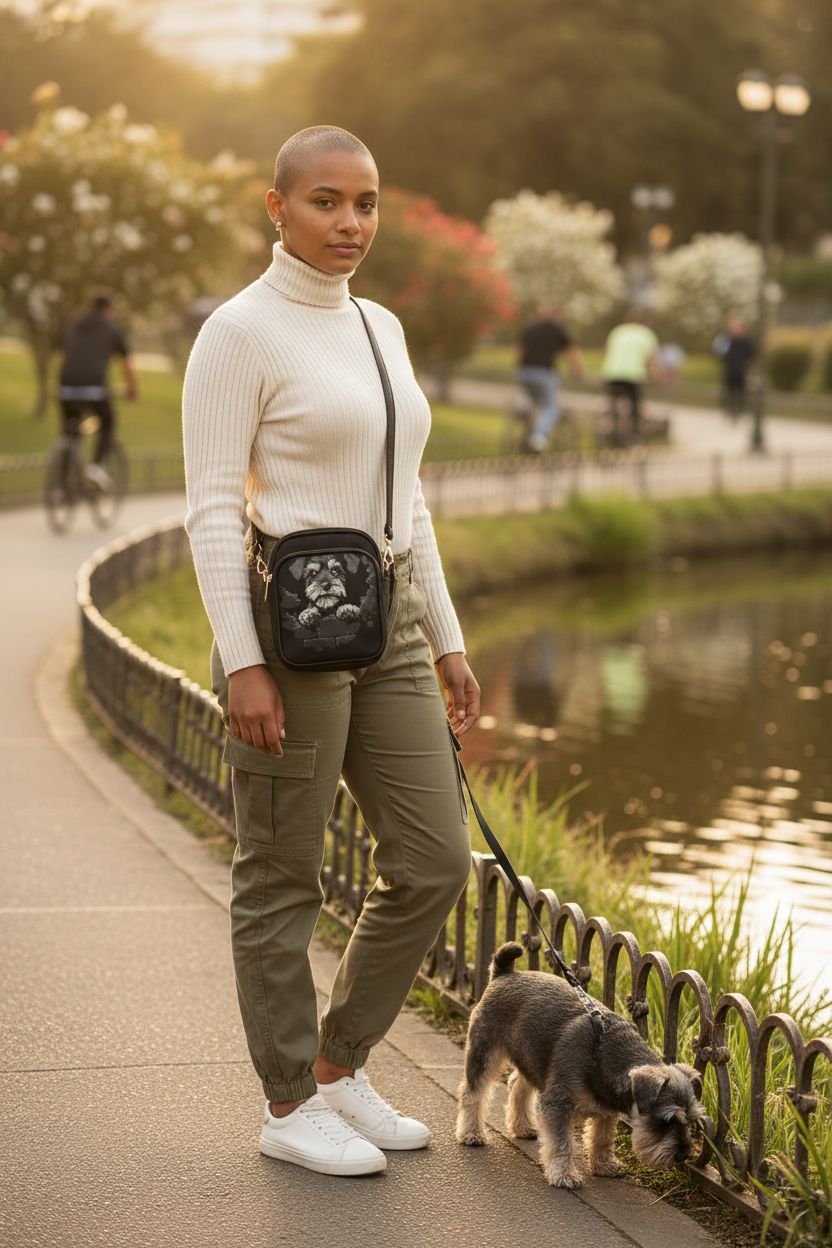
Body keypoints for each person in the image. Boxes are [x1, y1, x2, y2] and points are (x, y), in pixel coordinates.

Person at [182, 125, 480, 1178]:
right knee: (281, 870)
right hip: (287, 629)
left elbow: (408, 499)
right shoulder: (239, 332)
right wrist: (244, 660)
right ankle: (282, 1101)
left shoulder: (383, 326)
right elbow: (214, 512)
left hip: (387, 620)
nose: (350, 222)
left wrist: (444, 639)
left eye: (365, 202)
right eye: (324, 201)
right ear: (276, 208)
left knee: (436, 860)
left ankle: (336, 1065)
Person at [57, 292, 138, 488]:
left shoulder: (74, 325)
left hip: (66, 388)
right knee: (108, 423)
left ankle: (62, 486)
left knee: (71, 431)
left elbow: (62, 358)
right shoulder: (112, 328)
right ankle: (96, 466)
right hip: (94, 388)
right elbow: (126, 364)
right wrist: (132, 390)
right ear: (109, 310)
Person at [516, 302, 583, 452]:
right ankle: (538, 438)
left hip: (524, 371)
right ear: (557, 315)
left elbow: (519, 350)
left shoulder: (530, 328)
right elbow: (571, 353)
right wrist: (577, 371)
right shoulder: (558, 330)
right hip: (544, 372)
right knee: (551, 408)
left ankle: (525, 409)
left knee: (533, 399)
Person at [599, 309, 663, 445]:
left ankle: (613, 430)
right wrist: (657, 376)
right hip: (633, 375)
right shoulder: (646, 334)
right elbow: (652, 359)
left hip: (612, 373)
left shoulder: (617, 331)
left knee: (614, 402)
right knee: (635, 405)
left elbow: (606, 351)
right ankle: (633, 435)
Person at [712, 317, 756, 420]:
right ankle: (728, 410)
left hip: (741, 371)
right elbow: (720, 353)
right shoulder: (727, 340)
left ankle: (739, 411)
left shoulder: (747, 342)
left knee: (741, 392)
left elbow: (752, 355)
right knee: (728, 391)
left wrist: (749, 367)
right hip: (729, 370)